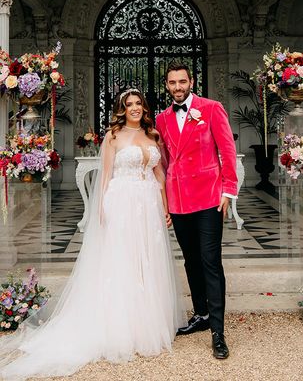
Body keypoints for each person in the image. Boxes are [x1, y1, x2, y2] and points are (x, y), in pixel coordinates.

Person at [0, 89, 186, 380]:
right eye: (129, 105)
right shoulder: (113, 137)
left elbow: (160, 174)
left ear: (144, 107)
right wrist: (102, 211)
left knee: (147, 261)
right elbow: (106, 177)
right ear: (121, 109)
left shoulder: (154, 136)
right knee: (123, 261)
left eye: (138, 104)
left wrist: (166, 206)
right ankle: (121, 327)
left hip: (148, 204)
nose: (135, 108)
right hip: (122, 202)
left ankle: (147, 323)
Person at [156, 63, 238, 360]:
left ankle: (218, 332)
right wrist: (162, 201)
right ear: (167, 85)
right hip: (178, 201)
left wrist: (228, 189)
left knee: (210, 261)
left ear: (191, 82)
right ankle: (201, 314)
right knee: (191, 260)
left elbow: (227, 149)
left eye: (182, 81)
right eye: (172, 82)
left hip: (208, 198)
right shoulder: (162, 119)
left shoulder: (211, 109)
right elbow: (163, 161)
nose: (178, 86)